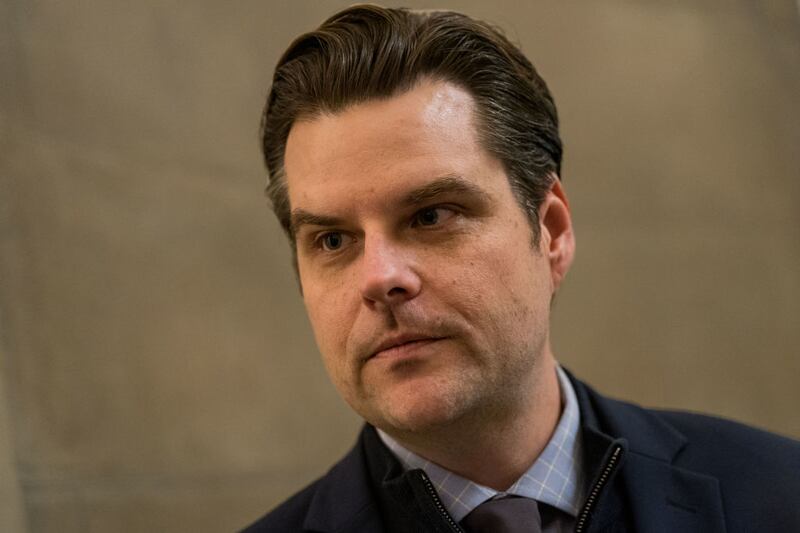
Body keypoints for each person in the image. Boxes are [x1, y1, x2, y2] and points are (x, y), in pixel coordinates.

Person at [243, 5, 800, 532]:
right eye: (334, 239)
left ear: (551, 231)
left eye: (431, 215)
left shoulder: (781, 495)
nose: (380, 277)